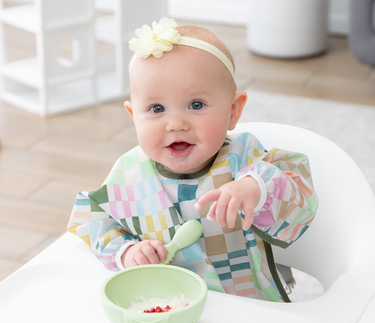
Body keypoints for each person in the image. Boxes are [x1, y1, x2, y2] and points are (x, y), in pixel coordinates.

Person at [67, 17, 318, 305]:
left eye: (196, 105)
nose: (175, 124)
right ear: (133, 115)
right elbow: (93, 218)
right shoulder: (130, 172)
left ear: (233, 111)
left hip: (246, 304)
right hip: (167, 303)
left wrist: (255, 189)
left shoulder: (243, 157)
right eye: (156, 108)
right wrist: (126, 252)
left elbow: (299, 200)